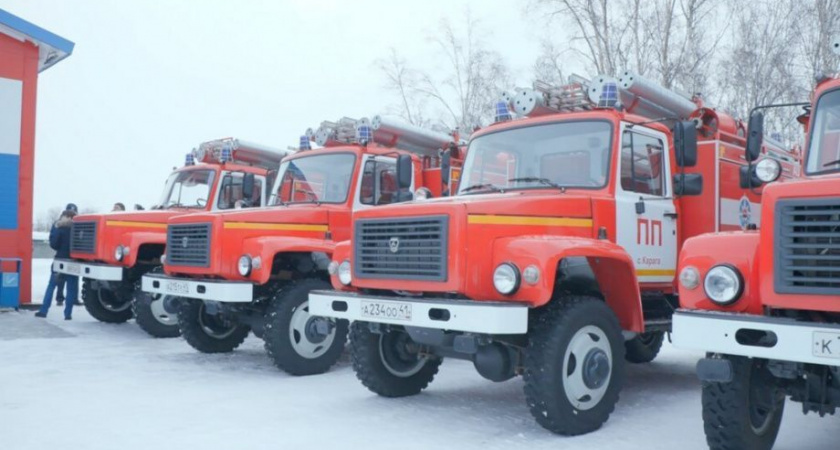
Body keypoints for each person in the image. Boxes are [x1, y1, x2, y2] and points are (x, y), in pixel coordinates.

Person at [35, 205, 80, 320]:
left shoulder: (59, 227)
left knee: (52, 286)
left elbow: (54, 244)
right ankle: (68, 314)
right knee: (71, 289)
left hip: (60, 260)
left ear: (64, 216)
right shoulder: (79, 228)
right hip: (74, 261)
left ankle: (44, 311)